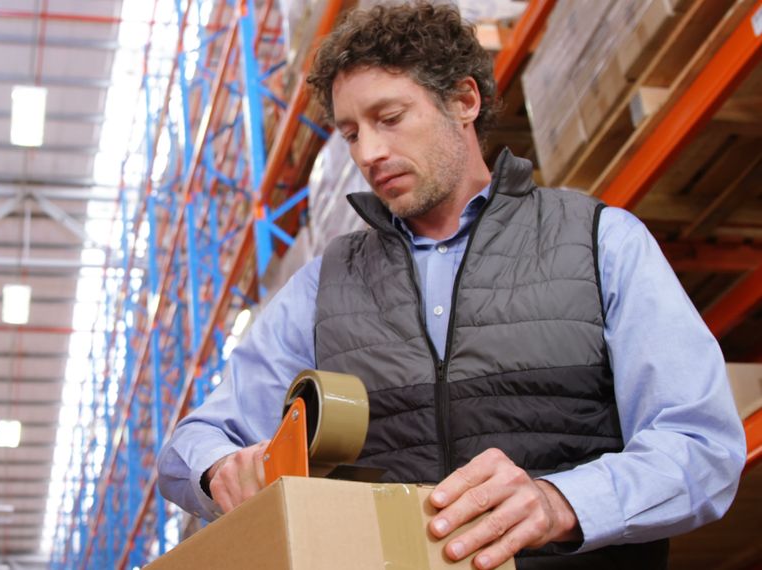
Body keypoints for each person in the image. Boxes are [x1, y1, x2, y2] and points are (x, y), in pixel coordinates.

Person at [157, 3, 746, 569]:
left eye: (389, 119)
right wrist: (218, 469)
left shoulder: (600, 241)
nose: (370, 152)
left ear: (464, 100)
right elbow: (196, 440)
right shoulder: (322, 287)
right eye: (350, 133)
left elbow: (702, 444)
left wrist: (559, 502)